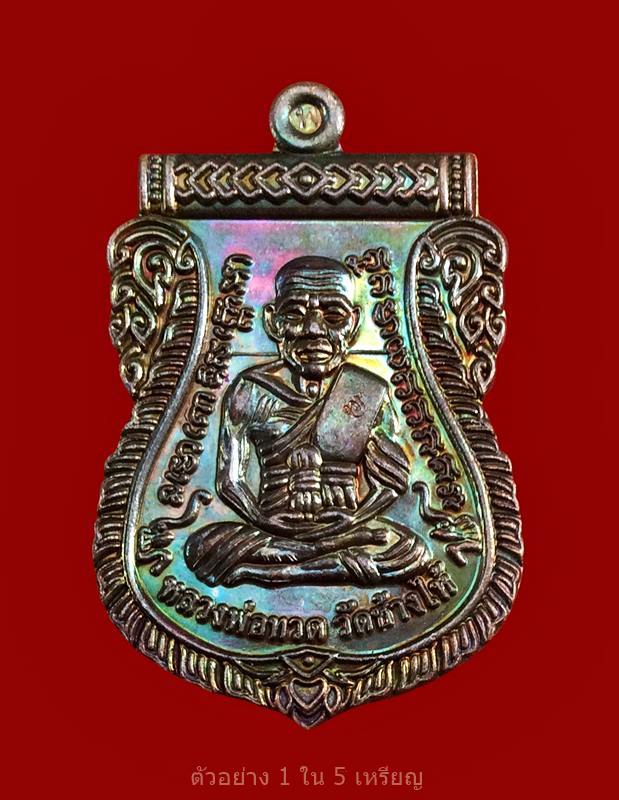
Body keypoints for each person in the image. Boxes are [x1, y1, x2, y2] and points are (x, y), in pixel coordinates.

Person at [184, 256, 430, 587]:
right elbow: (230, 482)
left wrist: (353, 519)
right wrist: (264, 520)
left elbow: (390, 484)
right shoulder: (251, 389)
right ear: (272, 322)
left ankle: (278, 569)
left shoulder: (367, 391)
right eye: (295, 314)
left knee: (411, 550)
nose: (314, 329)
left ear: (354, 323)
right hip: (273, 527)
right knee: (201, 547)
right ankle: (318, 557)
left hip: (345, 526)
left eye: (334, 315)